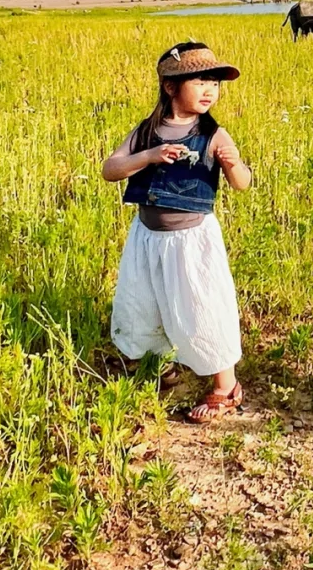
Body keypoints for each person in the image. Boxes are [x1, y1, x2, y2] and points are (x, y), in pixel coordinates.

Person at [103, 41, 251, 423]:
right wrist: (149, 156)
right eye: (200, 81)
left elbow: (242, 183)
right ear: (170, 87)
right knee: (142, 302)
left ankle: (225, 385)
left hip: (192, 240)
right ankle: (157, 365)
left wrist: (233, 165)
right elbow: (111, 168)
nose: (209, 91)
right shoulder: (147, 131)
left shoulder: (213, 134)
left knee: (202, 306)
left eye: (214, 84)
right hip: (147, 236)